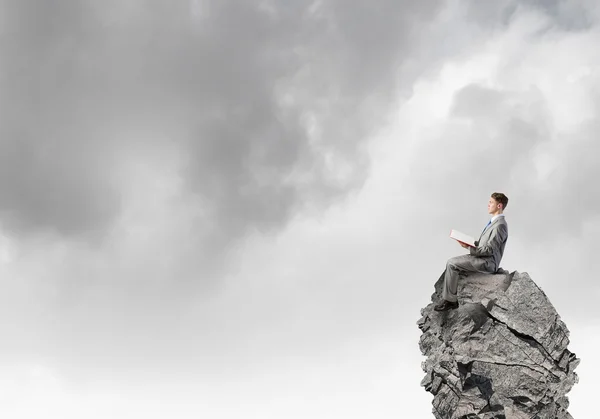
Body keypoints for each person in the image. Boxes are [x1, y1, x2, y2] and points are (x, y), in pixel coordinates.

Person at [434, 192, 509, 312]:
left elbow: (490, 250)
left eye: (491, 202)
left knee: (452, 263)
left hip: (487, 262)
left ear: (499, 206)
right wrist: (470, 243)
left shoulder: (500, 225)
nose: (488, 204)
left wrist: (470, 248)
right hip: (482, 257)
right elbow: (486, 245)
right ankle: (450, 298)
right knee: (453, 262)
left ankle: (450, 301)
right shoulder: (494, 222)